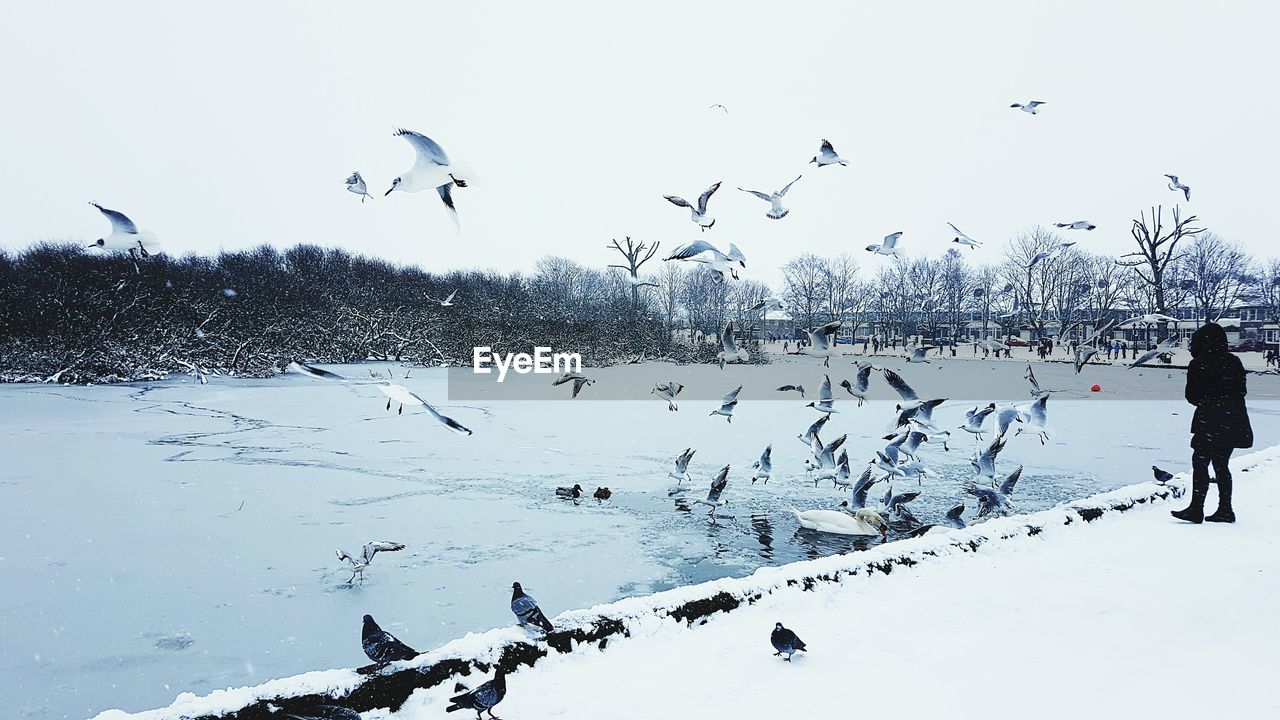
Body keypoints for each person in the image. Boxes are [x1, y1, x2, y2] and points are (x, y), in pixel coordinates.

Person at [1172, 323, 1253, 524]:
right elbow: (1241, 391)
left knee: (1200, 463)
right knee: (1221, 465)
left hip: (1209, 421)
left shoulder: (1199, 363)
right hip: (1233, 420)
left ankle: (1196, 508)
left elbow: (1192, 396)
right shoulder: (1234, 361)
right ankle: (1225, 509)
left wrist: (1209, 401)